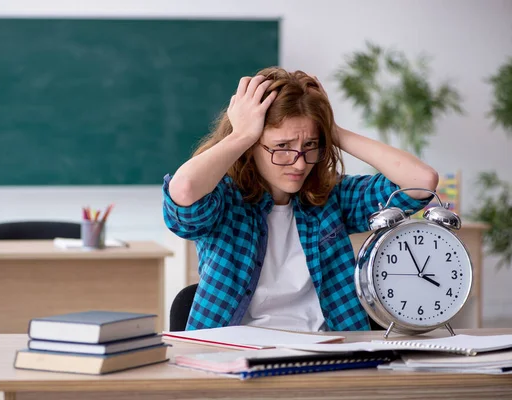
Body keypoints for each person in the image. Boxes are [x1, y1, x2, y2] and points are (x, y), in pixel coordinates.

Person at [162, 67, 438, 332]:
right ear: (251, 147)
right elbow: (184, 190)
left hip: (326, 351)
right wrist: (242, 134)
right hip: (236, 355)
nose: (299, 163)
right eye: (282, 147)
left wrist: (333, 131)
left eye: (310, 146)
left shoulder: (332, 198)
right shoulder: (224, 201)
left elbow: (421, 184)